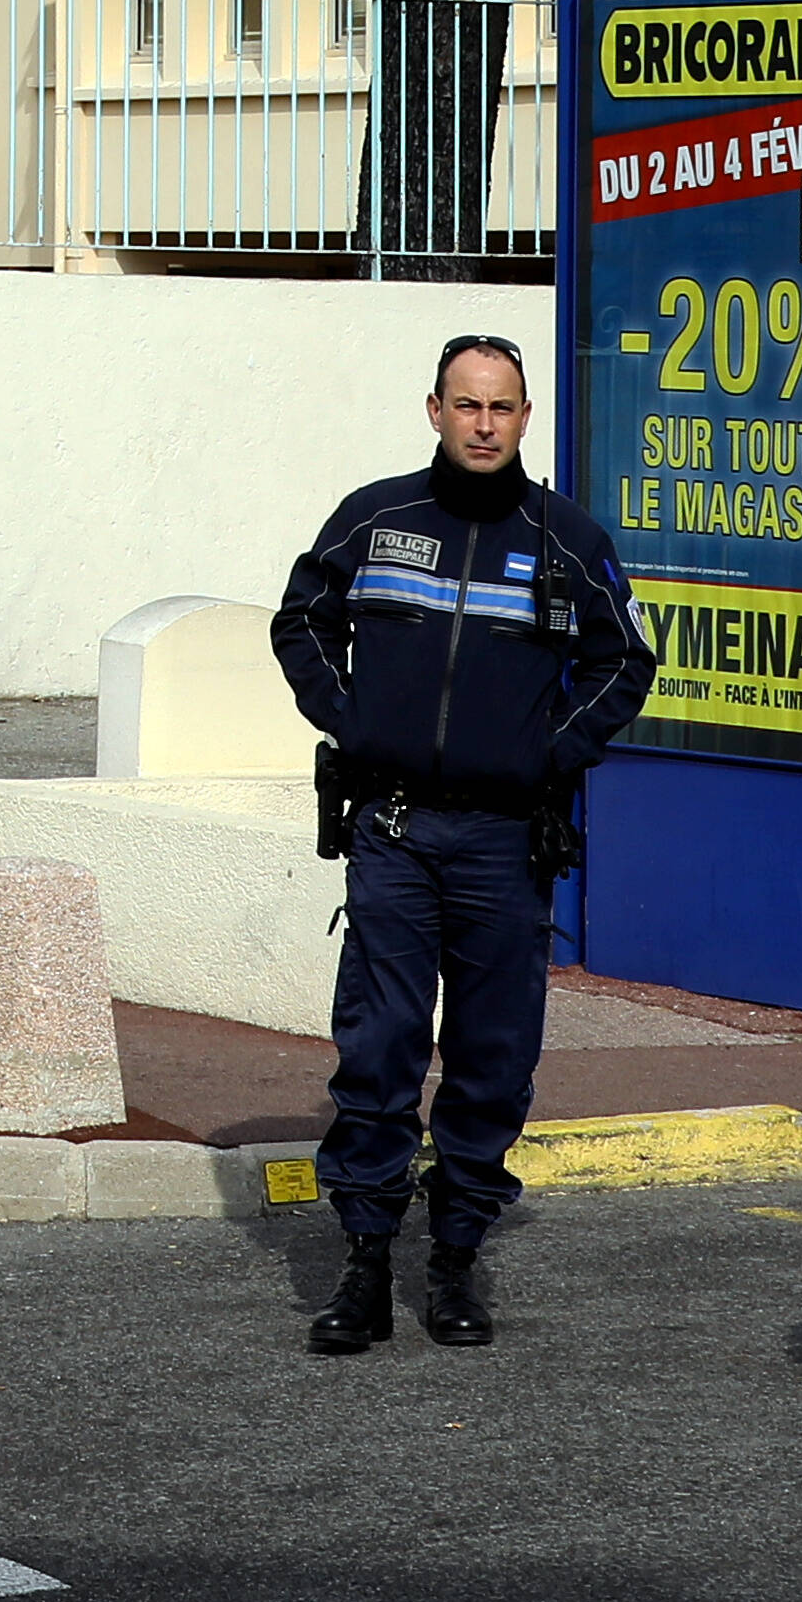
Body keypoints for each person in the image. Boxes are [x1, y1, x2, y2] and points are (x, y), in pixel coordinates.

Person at [271, 335, 658, 1356]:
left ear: (526, 417)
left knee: (492, 1059)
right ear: (434, 409)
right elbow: (300, 620)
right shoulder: (376, 515)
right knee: (380, 1044)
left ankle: (454, 1261)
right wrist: (347, 719)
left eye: (505, 406)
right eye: (467, 403)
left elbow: (625, 660)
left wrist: (550, 754)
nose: (486, 422)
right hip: (393, 828)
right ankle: (362, 1262)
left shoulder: (567, 535)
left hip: (501, 843)